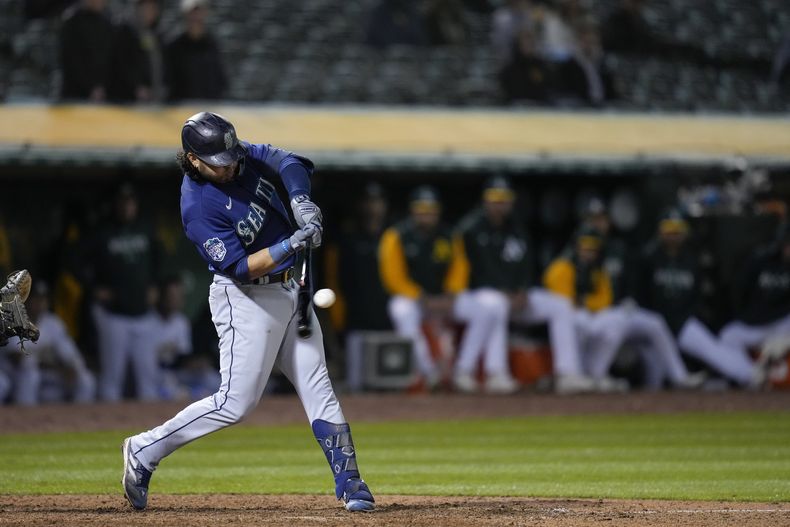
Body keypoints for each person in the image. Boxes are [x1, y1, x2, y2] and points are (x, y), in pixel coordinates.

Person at [121, 111, 375, 512]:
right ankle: (143, 449)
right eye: (219, 164)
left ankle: (350, 482)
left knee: (317, 384)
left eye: (232, 158)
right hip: (246, 299)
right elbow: (238, 267)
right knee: (234, 405)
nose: (231, 167)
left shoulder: (237, 156)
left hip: (291, 288)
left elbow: (292, 162)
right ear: (192, 160)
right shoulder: (198, 205)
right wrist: (292, 243)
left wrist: (301, 200)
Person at [635, 210, 760, 388]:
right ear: (660, 232)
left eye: (676, 231)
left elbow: (697, 296)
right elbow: (642, 294)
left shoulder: (691, 260)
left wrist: (685, 317)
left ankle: (752, 376)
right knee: (654, 378)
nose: (673, 236)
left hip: (683, 322)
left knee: (712, 350)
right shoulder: (649, 258)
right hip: (655, 327)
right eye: (669, 231)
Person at [378, 186, 465, 390]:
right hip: (416, 299)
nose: (426, 213)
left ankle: (466, 371)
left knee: (491, 306)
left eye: (430, 208)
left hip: (445, 299)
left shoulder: (449, 234)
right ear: (412, 210)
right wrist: (421, 296)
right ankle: (429, 371)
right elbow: (392, 278)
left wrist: (451, 293)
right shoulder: (397, 235)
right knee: (400, 308)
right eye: (421, 208)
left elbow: (460, 267)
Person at [90, 182, 161, 402]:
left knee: (148, 378)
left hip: (143, 313)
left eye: (130, 202)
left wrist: (155, 286)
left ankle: (149, 432)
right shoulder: (102, 232)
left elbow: (160, 260)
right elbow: (77, 263)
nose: (126, 206)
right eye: (122, 202)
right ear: (115, 204)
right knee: (112, 378)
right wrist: (94, 288)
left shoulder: (145, 228)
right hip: (113, 315)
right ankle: (102, 427)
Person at [324, 182, 392, 391]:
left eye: (377, 201)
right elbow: (334, 277)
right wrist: (338, 313)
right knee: (356, 382)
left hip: (385, 316)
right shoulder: (348, 237)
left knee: (388, 379)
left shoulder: (392, 236)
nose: (374, 207)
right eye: (369, 202)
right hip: (355, 315)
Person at [0, 281, 96, 405]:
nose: (40, 303)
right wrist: (58, 368)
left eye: (43, 299)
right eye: (35, 298)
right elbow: (17, 358)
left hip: (47, 374)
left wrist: (72, 366)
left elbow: (70, 352)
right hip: (13, 375)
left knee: (85, 378)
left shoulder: (53, 323)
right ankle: (24, 416)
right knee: (30, 373)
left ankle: (81, 421)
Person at [719, 221, 790, 373]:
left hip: (783, 325)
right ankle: (751, 375)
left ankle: (774, 366)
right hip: (757, 322)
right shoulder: (761, 260)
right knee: (728, 335)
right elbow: (739, 289)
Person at [164, 0, 227, 102]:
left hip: (209, 106)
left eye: (199, 12)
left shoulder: (212, 45)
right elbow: (169, 82)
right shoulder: (174, 47)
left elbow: (220, 79)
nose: (196, 17)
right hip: (182, 108)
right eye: (192, 13)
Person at [107, 0, 166, 103]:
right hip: (128, 98)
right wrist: (136, 86)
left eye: (153, 8)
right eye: (146, 7)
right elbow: (123, 62)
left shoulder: (155, 33)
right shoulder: (126, 30)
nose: (149, 11)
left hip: (152, 96)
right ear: (138, 8)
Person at [59, 0, 114, 101]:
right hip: (76, 95)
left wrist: (103, 87)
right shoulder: (72, 20)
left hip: (103, 93)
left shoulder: (107, 21)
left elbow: (110, 58)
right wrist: (91, 88)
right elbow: (72, 60)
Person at [151, 276, 195, 400]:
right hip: (148, 374)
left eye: (178, 295)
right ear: (161, 296)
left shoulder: (181, 322)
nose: (175, 299)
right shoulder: (146, 320)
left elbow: (182, 356)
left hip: (171, 373)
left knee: (210, 380)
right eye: (171, 295)